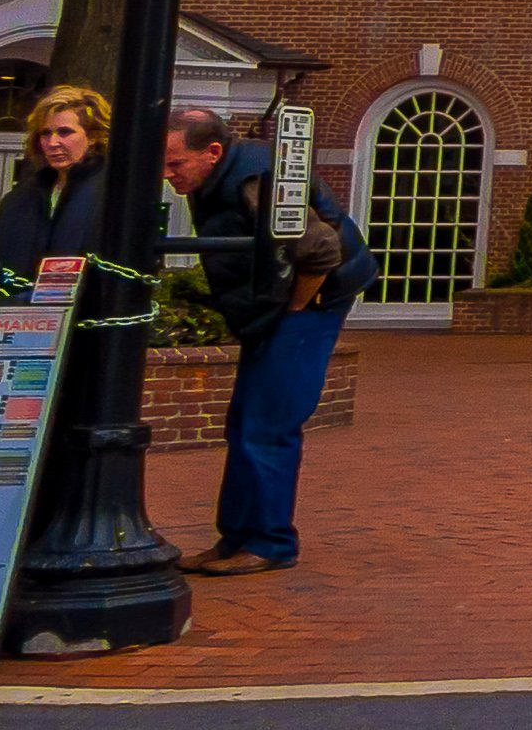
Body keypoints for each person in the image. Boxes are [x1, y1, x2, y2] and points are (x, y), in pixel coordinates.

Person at [159, 104, 374, 577]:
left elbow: (319, 252)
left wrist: (295, 309)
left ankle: (271, 542)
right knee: (244, 421)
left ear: (213, 152)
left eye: (175, 163)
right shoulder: (222, 174)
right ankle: (236, 537)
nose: (167, 174)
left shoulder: (256, 179)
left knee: (268, 422)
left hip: (309, 303)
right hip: (276, 306)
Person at [0, 84, 113, 285]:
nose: (52, 143)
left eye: (65, 132)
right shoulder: (22, 195)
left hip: (85, 312)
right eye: (45, 133)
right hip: (20, 311)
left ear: (94, 137)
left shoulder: (114, 191)